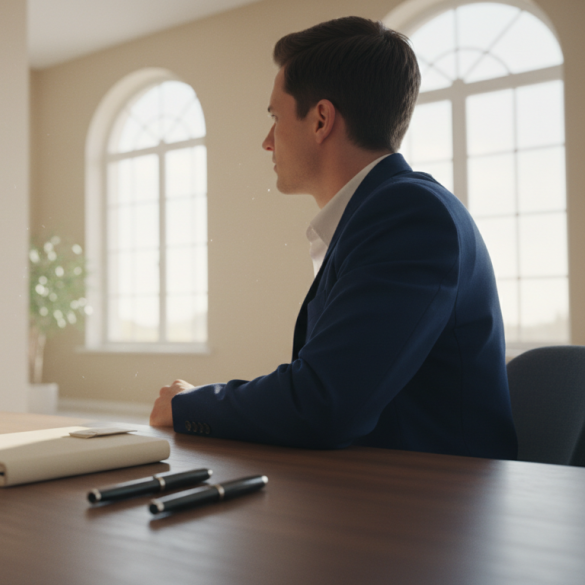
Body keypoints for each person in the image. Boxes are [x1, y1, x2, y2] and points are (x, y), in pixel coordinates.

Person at [149, 16, 518, 459]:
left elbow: (323, 402)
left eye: (275, 117)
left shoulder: (410, 216)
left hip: (436, 508)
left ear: (321, 119)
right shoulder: (383, 213)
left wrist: (191, 403)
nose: (267, 141)